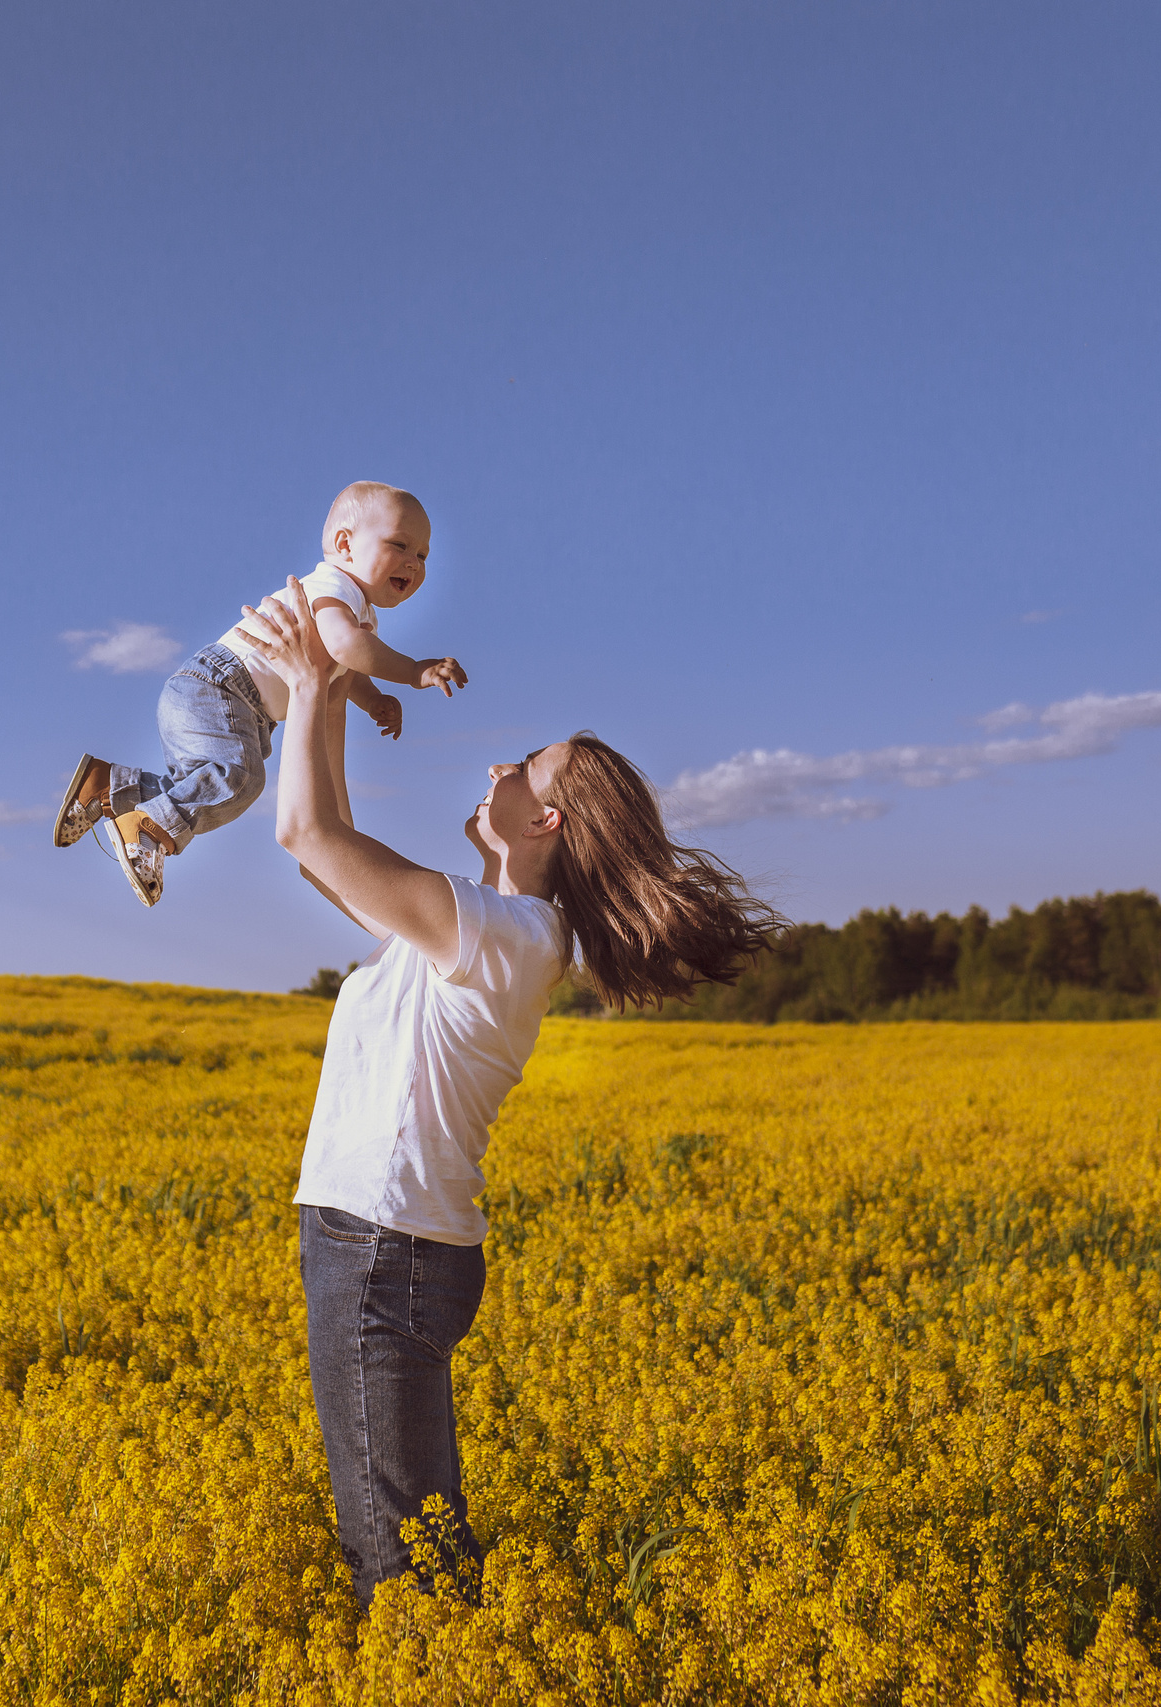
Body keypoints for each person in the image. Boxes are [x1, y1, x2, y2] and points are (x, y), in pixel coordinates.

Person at [232, 577, 783, 1607]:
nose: (497, 767)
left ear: (546, 817)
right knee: (416, 1548)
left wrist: (308, 684)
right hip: (389, 1245)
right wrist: (335, 686)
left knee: (401, 1568)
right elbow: (327, 848)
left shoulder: (503, 934)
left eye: (522, 766)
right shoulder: (482, 928)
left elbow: (306, 836)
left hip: (382, 1247)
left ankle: (436, 1667)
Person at [52, 481, 470, 906]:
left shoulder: (355, 612)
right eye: (399, 545)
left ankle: (105, 786)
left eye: (423, 555)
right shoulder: (336, 586)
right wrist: (413, 670)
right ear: (345, 545)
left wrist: (372, 699)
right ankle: (149, 831)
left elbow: (344, 665)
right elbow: (346, 647)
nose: (414, 563)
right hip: (224, 688)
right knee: (240, 780)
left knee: (200, 786)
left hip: (216, 694)